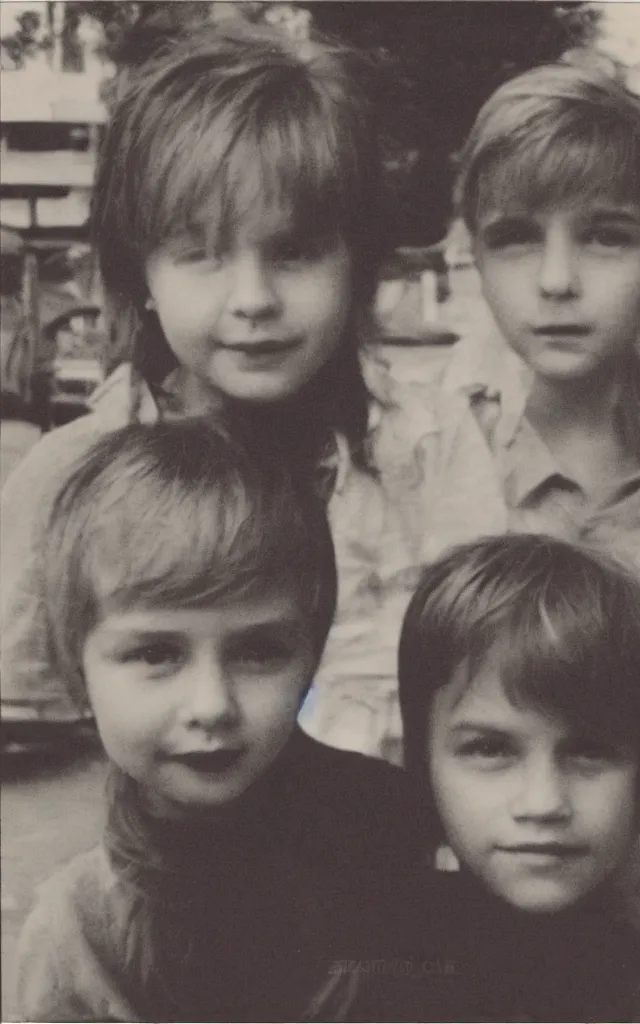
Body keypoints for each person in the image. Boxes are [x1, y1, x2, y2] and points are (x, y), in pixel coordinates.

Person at [1, 17, 487, 760]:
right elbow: (26, 737)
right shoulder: (68, 478)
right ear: (143, 277)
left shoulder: (430, 449)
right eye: (201, 253)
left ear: (357, 260)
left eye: (294, 251)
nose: (253, 297)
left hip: (382, 854)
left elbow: (492, 699)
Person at [13, 418, 428, 1023]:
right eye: (156, 654)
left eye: (259, 652)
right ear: (77, 668)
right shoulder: (80, 935)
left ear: (311, 657)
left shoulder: (398, 830)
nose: (212, 705)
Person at [397, 533, 640, 1022]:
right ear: (421, 763)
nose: (543, 802)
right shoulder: (363, 957)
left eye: (589, 752)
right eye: (490, 749)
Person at [444, 63, 640, 617]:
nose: (556, 281)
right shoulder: (429, 451)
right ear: (476, 256)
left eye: (605, 237)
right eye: (515, 237)